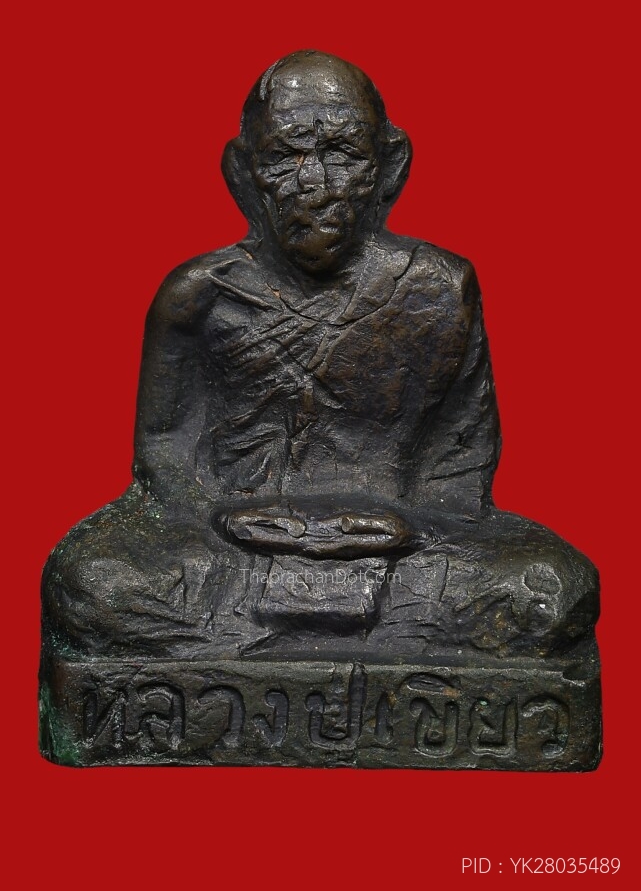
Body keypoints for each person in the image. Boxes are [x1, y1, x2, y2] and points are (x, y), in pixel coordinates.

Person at [42, 51, 598, 660]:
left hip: (401, 551)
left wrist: (414, 527)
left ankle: (284, 642)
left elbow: (460, 470)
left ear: (389, 166)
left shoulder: (438, 289)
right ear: (242, 171)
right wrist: (222, 518)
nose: (315, 184)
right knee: (93, 582)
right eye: (284, 157)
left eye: (342, 154)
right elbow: (163, 460)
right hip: (231, 548)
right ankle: (338, 643)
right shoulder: (198, 295)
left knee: (549, 590)